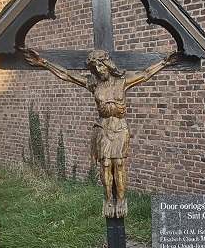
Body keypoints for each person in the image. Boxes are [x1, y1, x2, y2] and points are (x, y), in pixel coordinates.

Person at [19, 47, 180, 218]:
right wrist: (43, 62)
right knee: (105, 164)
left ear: (109, 65)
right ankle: (109, 199)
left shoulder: (122, 82)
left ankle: (121, 200)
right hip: (103, 127)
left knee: (118, 163)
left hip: (120, 126)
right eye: (95, 69)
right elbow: (66, 75)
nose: (99, 71)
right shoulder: (93, 84)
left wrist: (164, 63)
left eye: (101, 67)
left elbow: (146, 74)